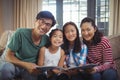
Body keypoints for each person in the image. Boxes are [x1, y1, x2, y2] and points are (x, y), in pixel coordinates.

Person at [0, 11, 56, 80]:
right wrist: (25, 65)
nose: (44, 26)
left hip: (31, 69)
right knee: (6, 70)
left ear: (50, 27)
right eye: (42, 21)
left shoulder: (46, 40)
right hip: (15, 64)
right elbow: (8, 56)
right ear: (35, 21)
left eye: (48, 24)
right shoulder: (20, 33)